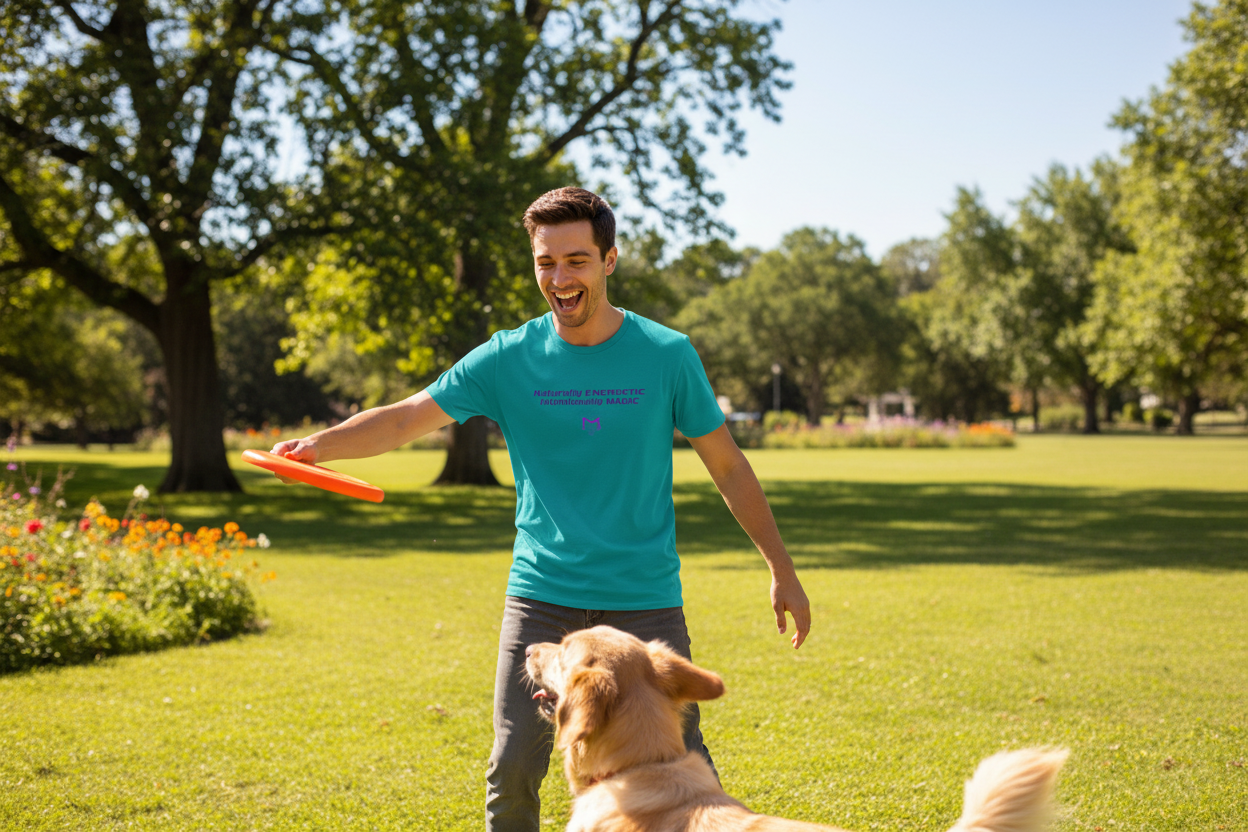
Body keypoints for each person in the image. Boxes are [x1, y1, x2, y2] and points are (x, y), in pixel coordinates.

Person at [272, 187, 811, 832]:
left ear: (609, 260)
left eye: (576, 261)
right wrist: (316, 449)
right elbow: (408, 418)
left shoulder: (666, 355)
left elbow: (727, 465)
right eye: (545, 262)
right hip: (541, 596)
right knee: (512, 771)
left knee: (682, 768)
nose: (559, 278)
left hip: (642, 600)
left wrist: (780, 566)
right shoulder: (508, 357)